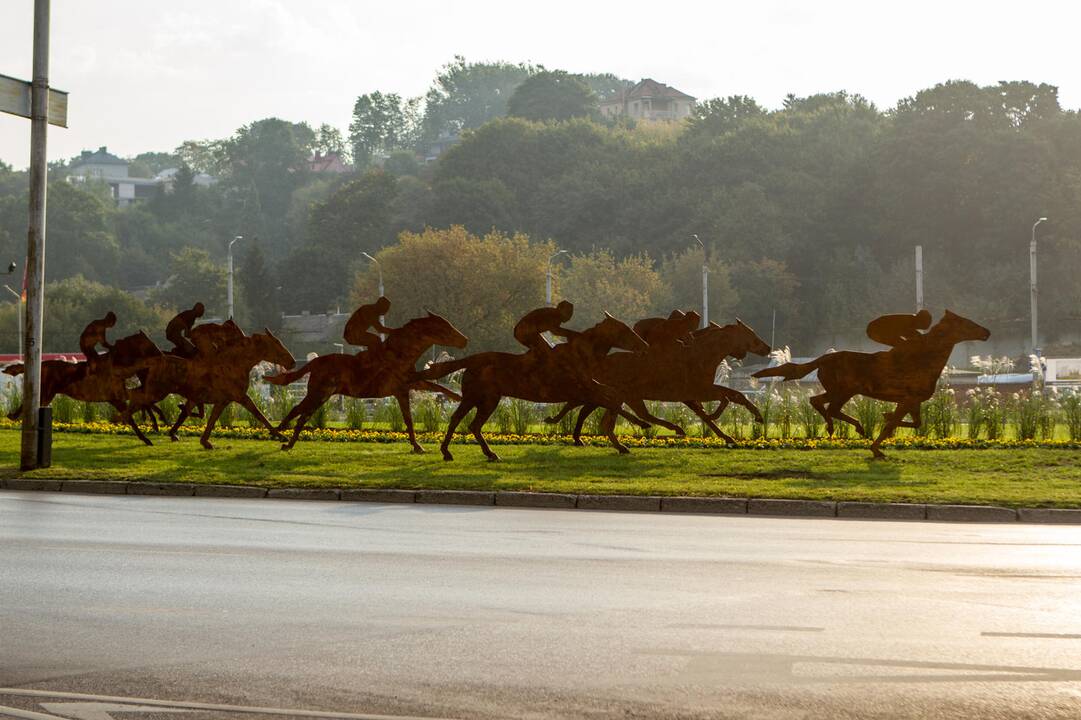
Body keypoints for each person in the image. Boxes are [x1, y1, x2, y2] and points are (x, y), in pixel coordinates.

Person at [513, 300, 578, 353]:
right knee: (548, 350)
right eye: (568, 312)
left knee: (549, 348)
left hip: (524, 331)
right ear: (560, 309)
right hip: (525, 332)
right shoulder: (555, 315)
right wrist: (574, 334)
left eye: (571, 313)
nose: (569, 316)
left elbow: (549, 333)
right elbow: (555, 331)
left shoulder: (553, 314)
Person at [866, 309, 933, 348]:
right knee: (904, 346)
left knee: (904, 345)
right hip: (875, 330)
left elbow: (913, 335)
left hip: (877, 328)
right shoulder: (908, 321)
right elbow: (911, 335)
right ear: (920, 321)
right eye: (923, 326)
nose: (920, 328)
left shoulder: (911, 320)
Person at [635, 309, 700, 348]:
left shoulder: (684, 330)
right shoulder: (671, 326)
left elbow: (692, 343)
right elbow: (667, 340)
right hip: (644, 335)